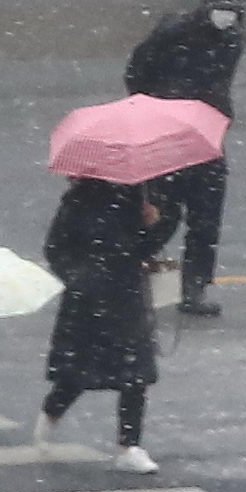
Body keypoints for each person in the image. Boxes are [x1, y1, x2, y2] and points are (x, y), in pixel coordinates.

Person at [124, 0, 245, 316]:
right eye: (223, 10)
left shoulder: (232, 40)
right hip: (170, 134)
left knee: (206, 218)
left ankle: (194, 288)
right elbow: (137, 71)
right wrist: (158, 105)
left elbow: (220, 83)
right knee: (164, 214)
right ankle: (132, 271)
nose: (227, 18)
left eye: (233, 12)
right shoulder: (172, 33)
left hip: (207, 135)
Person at [34, 177, 172, 474]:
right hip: (87, 301)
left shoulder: (141, 196)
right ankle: (51, 412)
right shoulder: (77, 201)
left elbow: (145, 247)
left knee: (135, 374)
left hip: (126, 295)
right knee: (77, 374)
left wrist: (157, 223)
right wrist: (80, 278)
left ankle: (129, 445)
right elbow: (55, 248)